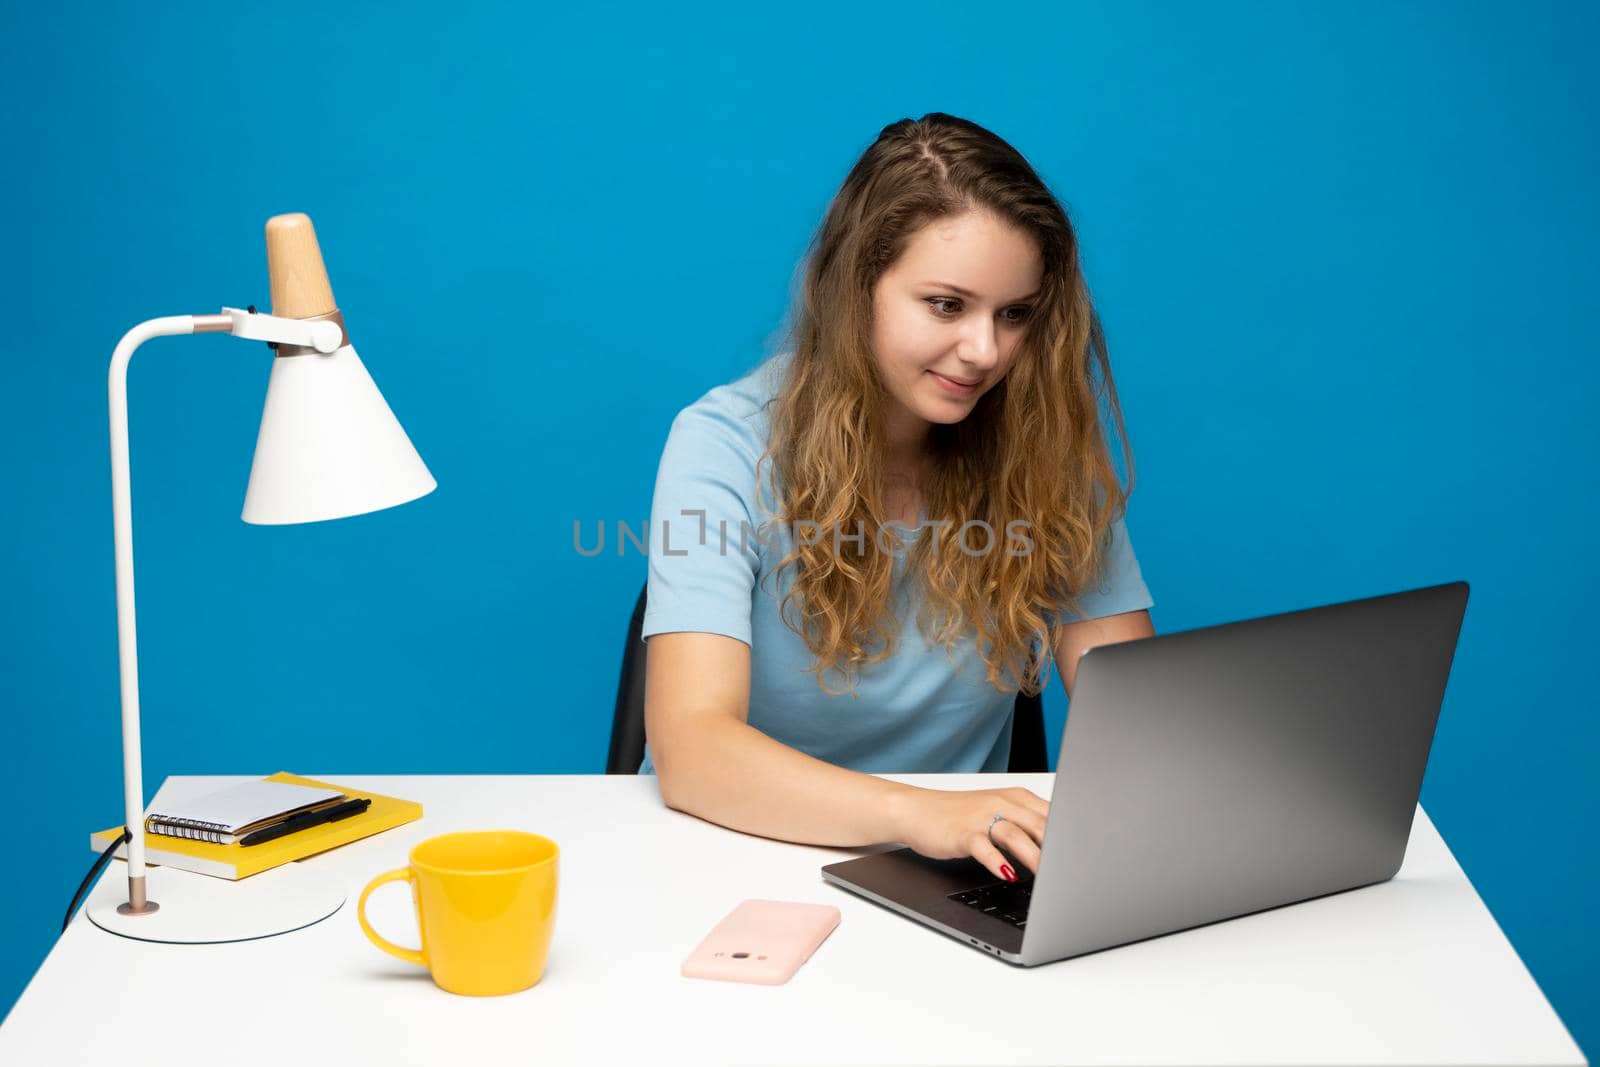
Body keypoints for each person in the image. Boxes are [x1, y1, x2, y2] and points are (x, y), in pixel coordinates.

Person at [639, 112, 1155, 885]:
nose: (985, 351)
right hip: (730, 851)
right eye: (947, 305)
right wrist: (921, 815)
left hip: (956, 875)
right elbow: (692, 751)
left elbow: (1143, 723)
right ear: (856, 289)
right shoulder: (722, 443)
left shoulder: (1042, 453)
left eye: (1014, 314)